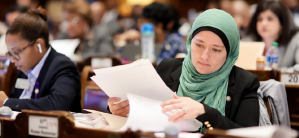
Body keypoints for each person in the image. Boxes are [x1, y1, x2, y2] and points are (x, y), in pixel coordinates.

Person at [108, 9, 260, 131]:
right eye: (199, 45)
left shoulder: (244, 82)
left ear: (229, 54)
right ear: (189, 42)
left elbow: (248, 134)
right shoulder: (168, 68)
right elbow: (143, 113)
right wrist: (119, 109)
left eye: (216, 50)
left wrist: (204, 112)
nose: (204, 56)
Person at [0, 7, 81, 112]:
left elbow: (57, 105)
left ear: (39, 45)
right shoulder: (24, 68)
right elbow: (17, 101)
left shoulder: (63, 66)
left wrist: (7, 103)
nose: (12, 60)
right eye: (10, 54)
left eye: (16, 52)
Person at [117, 2, 187, 63]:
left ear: (159, 26)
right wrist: (123, 41)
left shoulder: (176, 44)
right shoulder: (137, 40)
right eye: (140, 22)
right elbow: (119, 62)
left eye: (144, 23)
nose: (140, 26)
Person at [245, 1, 299, 67]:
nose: (264, 23)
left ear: (282, 23)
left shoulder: (295, 41)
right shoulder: (248, 43)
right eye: (260, 19)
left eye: (270, 19)